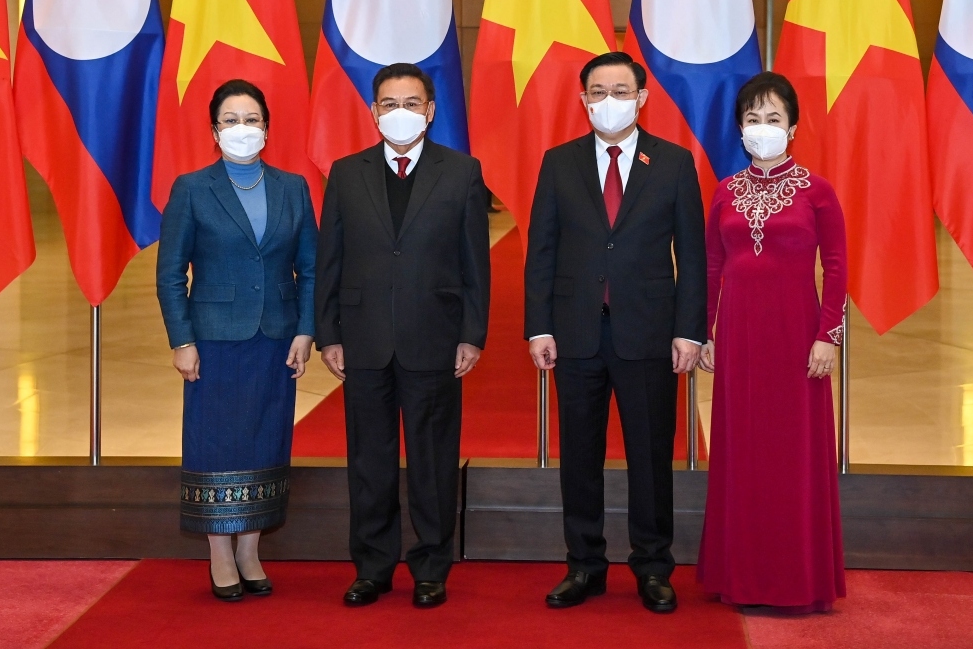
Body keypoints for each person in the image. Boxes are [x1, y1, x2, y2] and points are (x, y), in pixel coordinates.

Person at [524, 51, 707, 614]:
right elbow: (542, 252)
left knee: (651, 455)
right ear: (583, 100)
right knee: (579, 454)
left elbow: (693, 257)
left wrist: (690, 331)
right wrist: (538, 327)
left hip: (649, 333)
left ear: (642, 97)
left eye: (620, 90)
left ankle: (653, 565)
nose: (609, 101)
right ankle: (584, 565)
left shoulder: (674, 164)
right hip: (576, 332)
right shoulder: (559, 163)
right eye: (598, 91)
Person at [315, 62, 491, 609]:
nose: (400, 113)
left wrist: (472, 333)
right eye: (389, 104)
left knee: (433, 459)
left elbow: (474, 263)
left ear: (431, 111)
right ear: (373, 112)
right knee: (369, 458)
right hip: (363, 337)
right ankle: (372, 565)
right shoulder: (346, 173)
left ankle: (432, 566)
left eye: (411, 103)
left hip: (434, 337)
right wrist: (328, 333)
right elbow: (330, 260)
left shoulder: (461, 172)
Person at [156, 79, 317, 601]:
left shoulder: (293, 187)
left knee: (266, 438)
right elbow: (169, 272)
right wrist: (182, 339)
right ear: (214, 131)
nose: (242, 128)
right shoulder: (192, 188)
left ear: (267, 128)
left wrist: (306, 329)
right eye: (231, 120)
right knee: (216, 442)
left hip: (276, 337)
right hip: (215, 341)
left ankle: (250, 548)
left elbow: (311, 270)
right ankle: (219, 551)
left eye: (252, 119)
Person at [696, 71, 847, 612]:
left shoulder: (817, 191)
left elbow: (836, 266)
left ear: (793, 128)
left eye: (774, 119)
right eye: (753, 120)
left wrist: (828, 336)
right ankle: (740, 575)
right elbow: (713, 264)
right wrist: (704, 330)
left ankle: (796, 580)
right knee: (741, 451)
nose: (763, 129)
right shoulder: (726, 192)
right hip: (737, 338)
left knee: (794, 454)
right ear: (740, 129)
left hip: (796, 338)